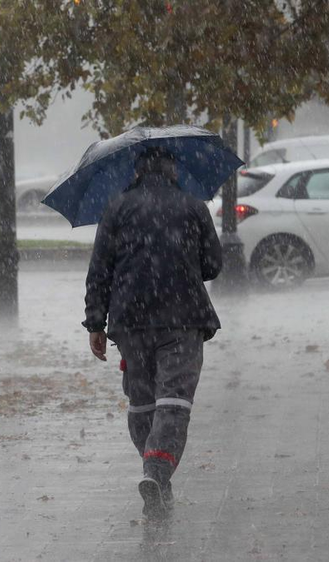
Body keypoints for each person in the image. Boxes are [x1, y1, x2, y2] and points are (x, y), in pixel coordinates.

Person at [82, 148, 222, 519]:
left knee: (142, 404)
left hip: (131, 321)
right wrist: (180, 260)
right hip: (184, 318)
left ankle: (157, 476)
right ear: (173, 168)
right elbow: (213, 265)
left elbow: (100, 270)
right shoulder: (193, 206)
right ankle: (157, 471)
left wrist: (95, 322)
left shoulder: (116, 208)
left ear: (137, 171)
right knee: (174, 401)